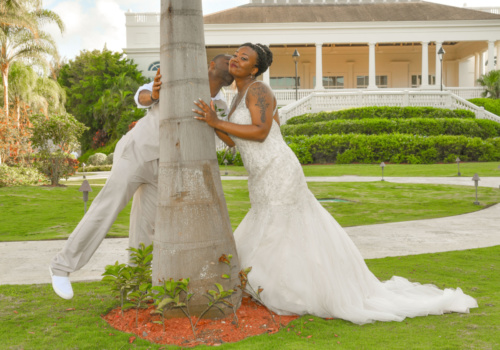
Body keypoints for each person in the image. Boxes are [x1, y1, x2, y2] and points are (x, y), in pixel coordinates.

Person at [193, 43, 478, 324]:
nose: (235, 60)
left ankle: (294, 291)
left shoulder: (258, 90)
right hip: (259, 176)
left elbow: (260, 131)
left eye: (244, 58)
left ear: (255, 68)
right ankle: (270, 285)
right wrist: (213, 123)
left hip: (278, 169)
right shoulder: (236, 96)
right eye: (235, 55)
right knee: (273, 224)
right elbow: (234, 140)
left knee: (281, 227)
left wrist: (216, 122)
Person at [49, 54, 234, 300]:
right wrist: (155, 95)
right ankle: (61, 266)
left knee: (146, 228)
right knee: (107, 207)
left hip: (167, 167)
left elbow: (227, 139)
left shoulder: (221, 106)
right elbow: (142, 96)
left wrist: (217, 120)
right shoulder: (178, 78)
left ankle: (137, 286)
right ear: (211, 65)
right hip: (137, 152)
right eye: (228, 59)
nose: (232, 63)